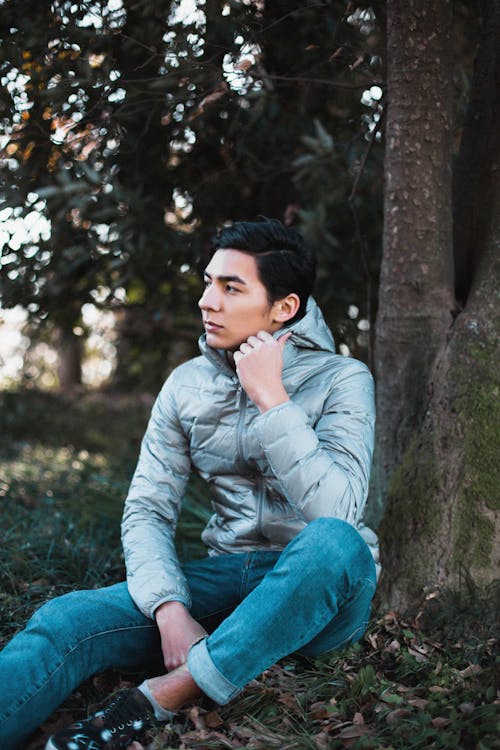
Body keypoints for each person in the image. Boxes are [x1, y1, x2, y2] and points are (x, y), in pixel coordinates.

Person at [0, 218, 379, 750]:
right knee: (68, 618)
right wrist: (170, 609)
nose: (207, 301)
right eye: (208, 282)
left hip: (320, 591)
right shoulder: (186, 385)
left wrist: (272, 398)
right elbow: (148, 509)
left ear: (284, 308)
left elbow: (337, 513)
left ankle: (161, 696)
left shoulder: (344, 379)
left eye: (231, 287)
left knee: (336, 543)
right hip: (227, 577)